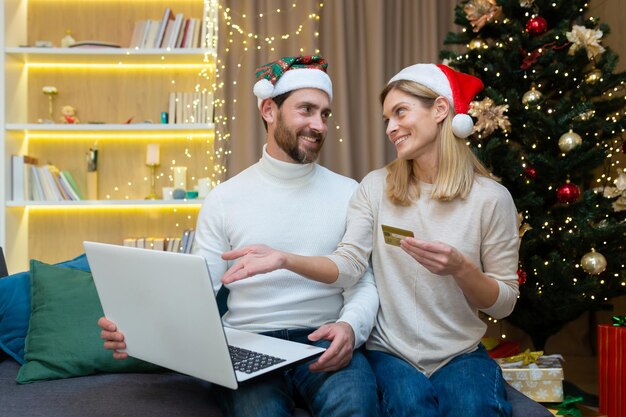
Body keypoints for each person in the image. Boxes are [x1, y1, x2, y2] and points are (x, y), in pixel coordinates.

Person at [221, 63, 520, 417]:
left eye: (400, 113)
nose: (391, 128)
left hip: (461, 352)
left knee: (474, 409)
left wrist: (462, 269)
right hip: (390, 354)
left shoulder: (491, 199)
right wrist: (285, 259)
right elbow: (349, 265)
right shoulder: (375, 188)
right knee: (411, 408)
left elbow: (504, 303)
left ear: (441, 110)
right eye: (387, 119)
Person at [98, 55, 380, 417]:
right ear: (268, 110)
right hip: (248, 343)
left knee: (355, 407)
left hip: (322, 338)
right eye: (306, 110)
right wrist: (136, 333)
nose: (319, 125)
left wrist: (349, 327)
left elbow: (363, 280)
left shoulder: (349, 192)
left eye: (324, 114)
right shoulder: (225, 199)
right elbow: (196, 290)